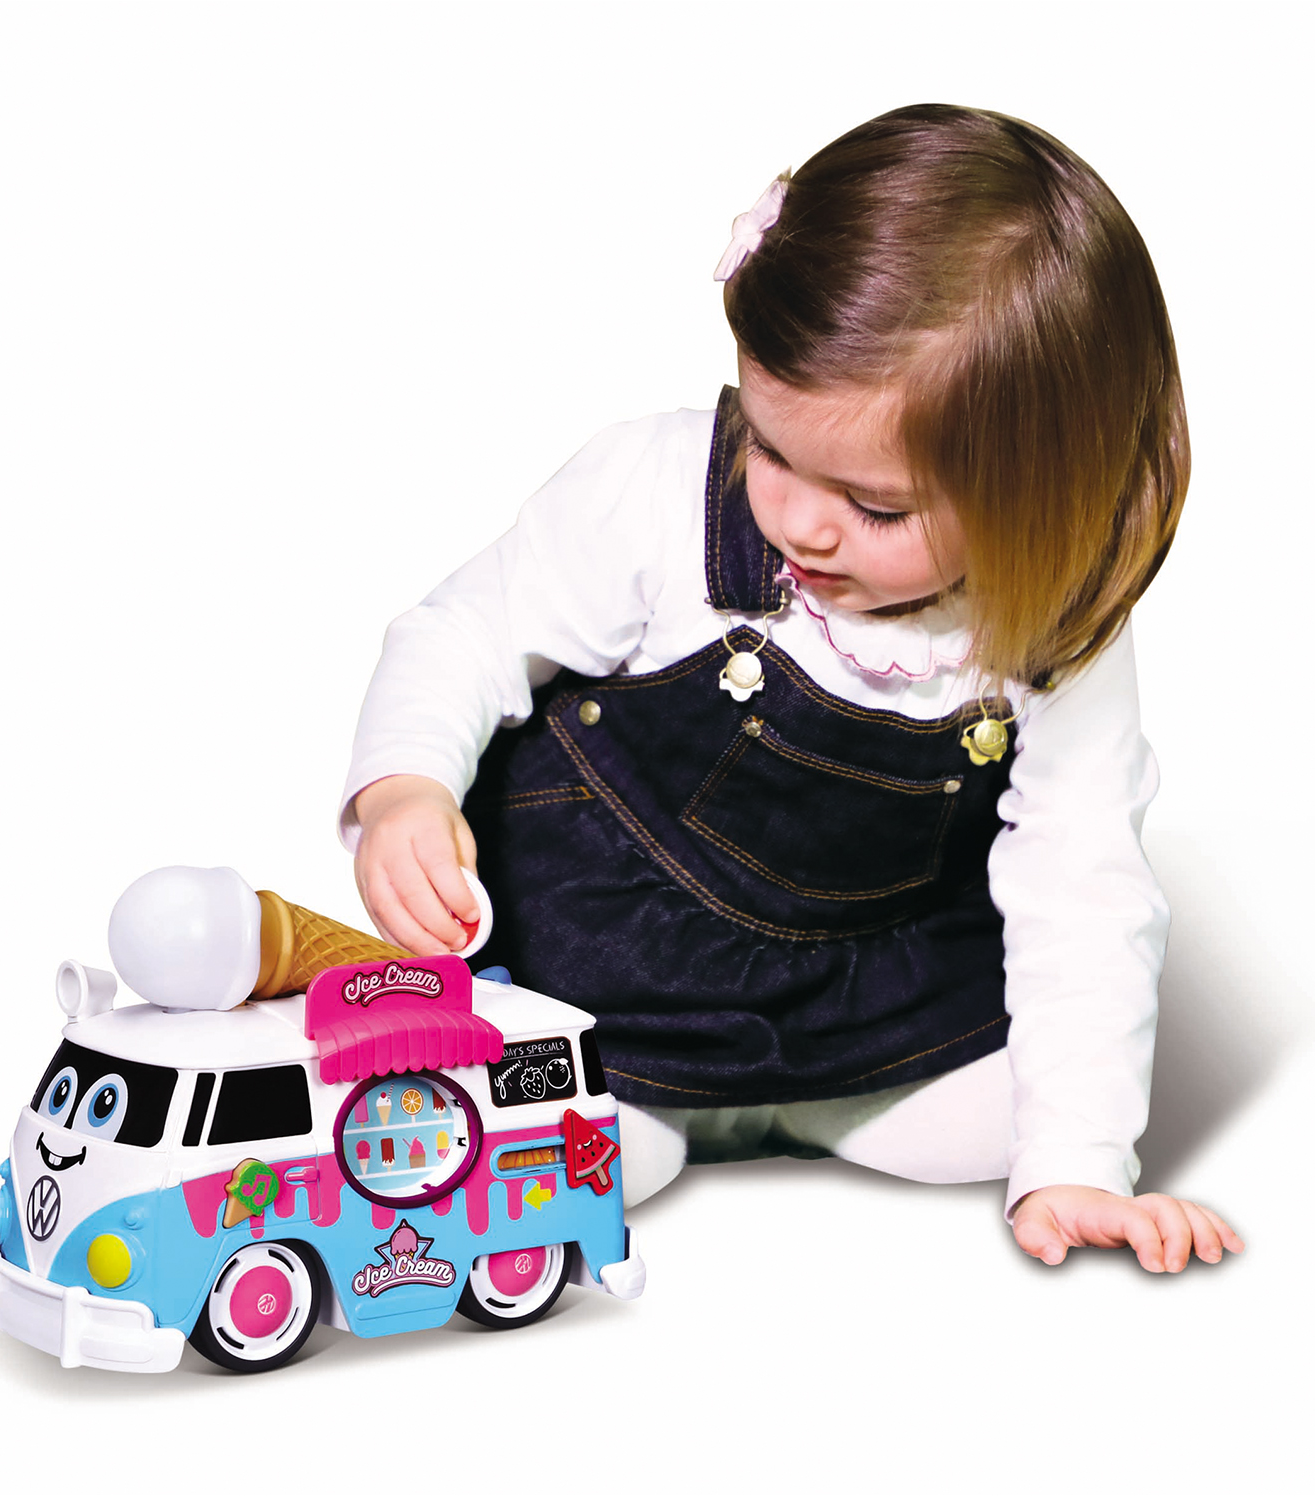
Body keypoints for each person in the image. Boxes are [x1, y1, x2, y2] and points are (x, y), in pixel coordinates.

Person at [340, 104, 1243, 1273]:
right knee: (553, 1149)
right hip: (617, 955)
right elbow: (467, 632)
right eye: (770, 447)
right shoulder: (656, 488)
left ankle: (801, 1105)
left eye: (876, 507)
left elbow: (1085, 882)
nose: (801, 523)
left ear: (1043, 496)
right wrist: (404, 790)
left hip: (857, 983)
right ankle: (662, 1106)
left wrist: (1077, 1161)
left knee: (1020, 1124)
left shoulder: (1053, 626)